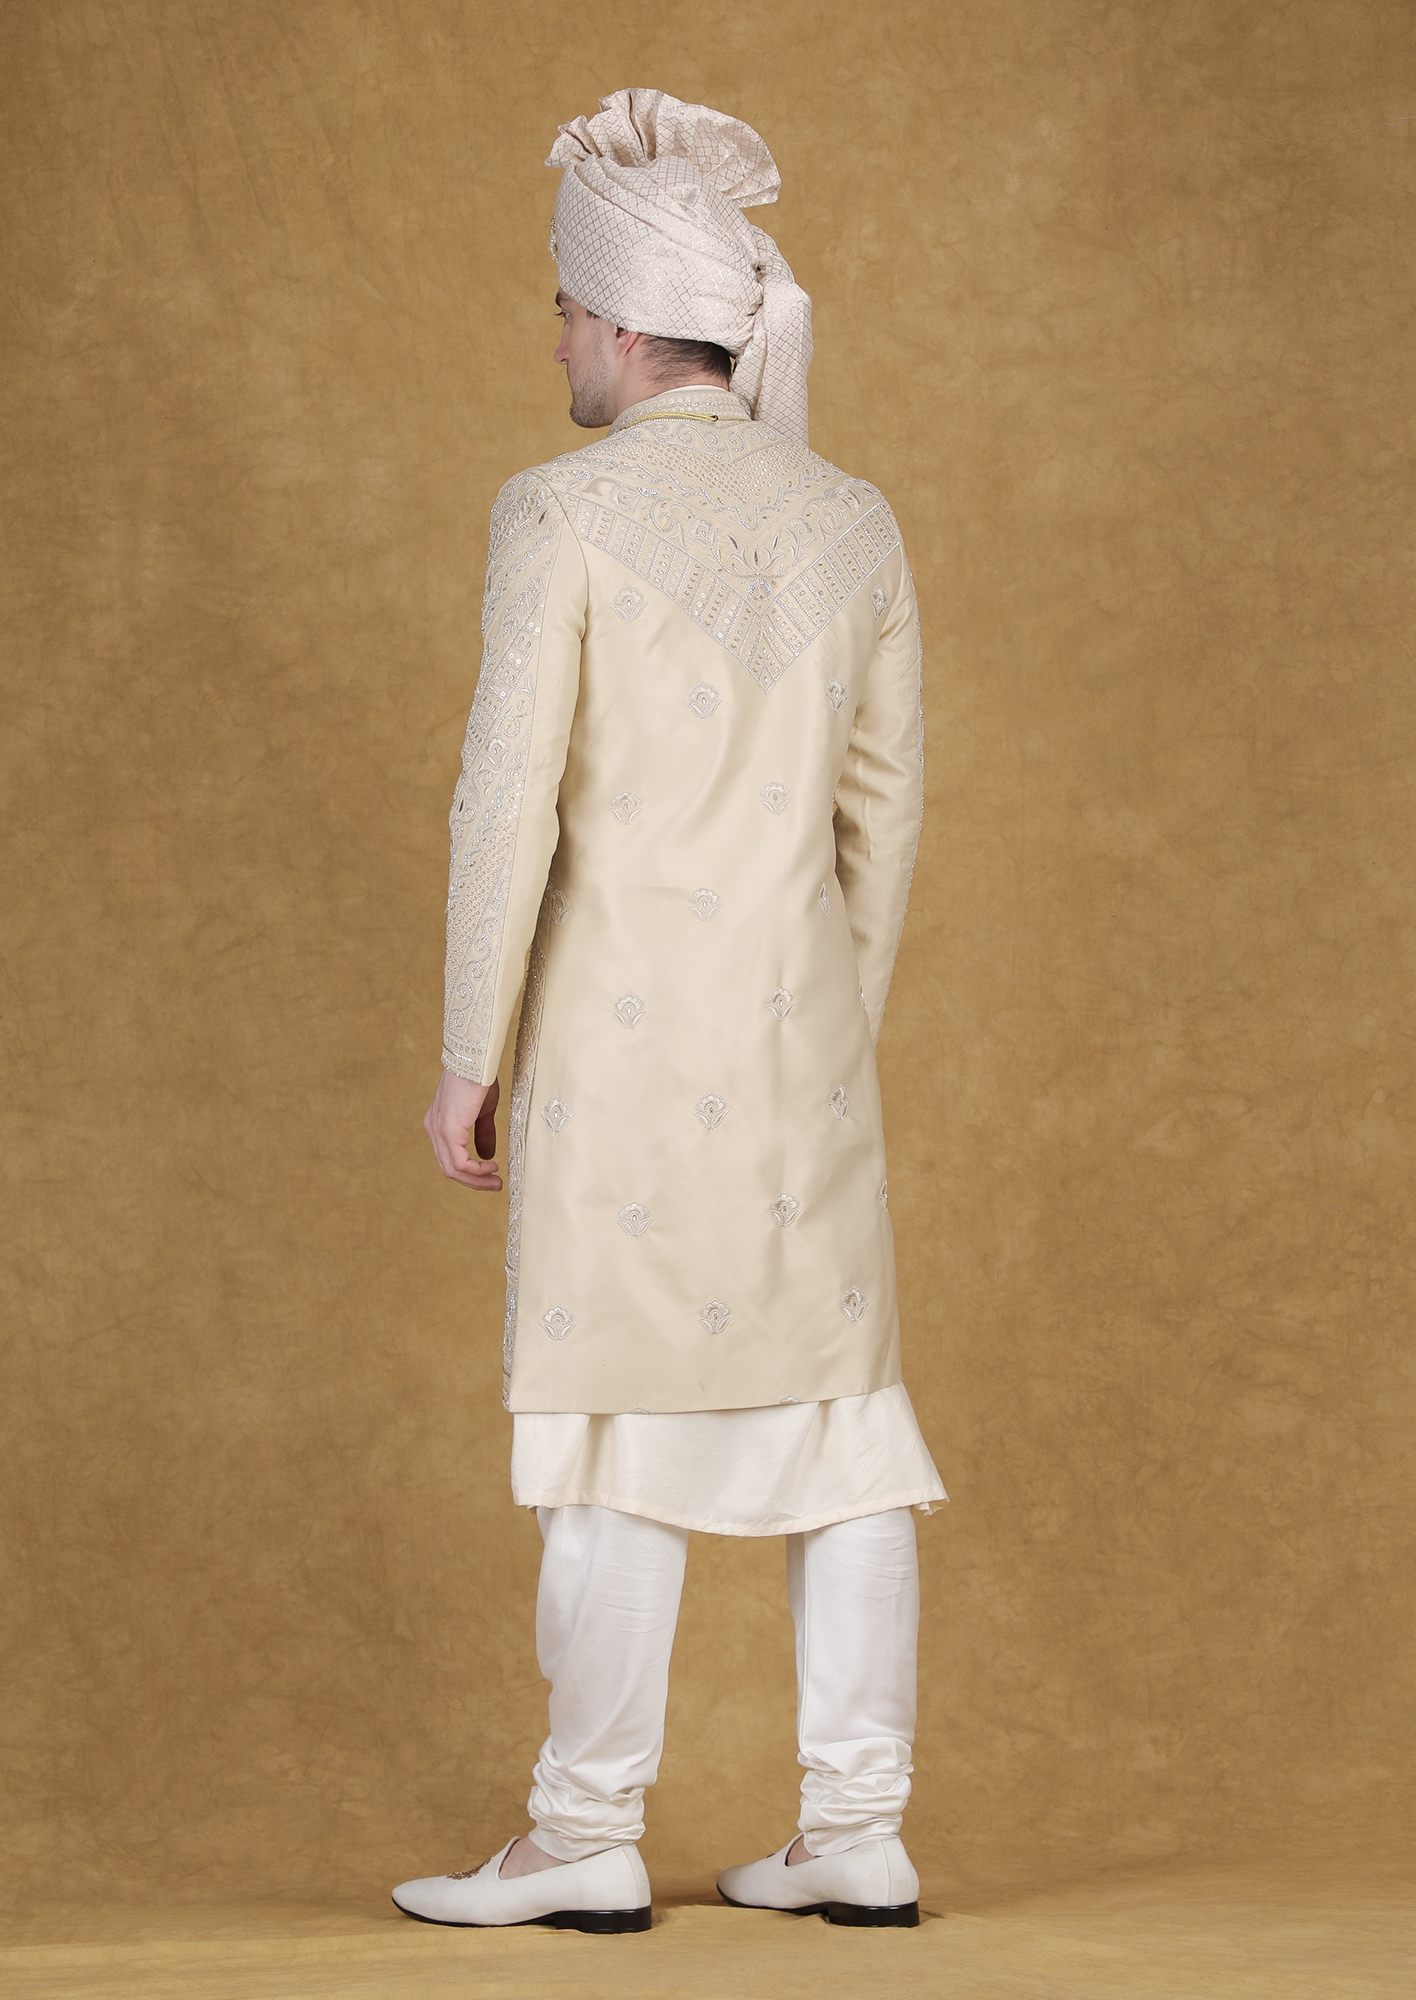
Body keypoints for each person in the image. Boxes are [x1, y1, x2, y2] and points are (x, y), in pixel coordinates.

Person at [392, 88, 945, 1936]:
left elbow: (503, 798)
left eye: (564, 310)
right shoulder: (854, 516)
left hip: (620, 1062)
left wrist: (469, 1054)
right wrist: (828, 1023)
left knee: (614, 1425)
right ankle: (857, 1830)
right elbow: (884, 816)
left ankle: (581, 1835)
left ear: (629, 324)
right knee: (841, 1431)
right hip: (806, 1060)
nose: (554, 337)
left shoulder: (560, 508)